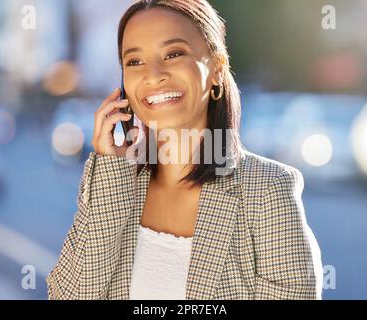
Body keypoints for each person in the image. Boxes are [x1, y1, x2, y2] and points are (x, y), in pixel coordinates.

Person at [46, 0, 323, 300]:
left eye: (174, 54)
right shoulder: (115, 185)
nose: (153, 75)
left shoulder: (267, 189)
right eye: (134, 61)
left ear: (217, 69)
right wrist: (111, 169)